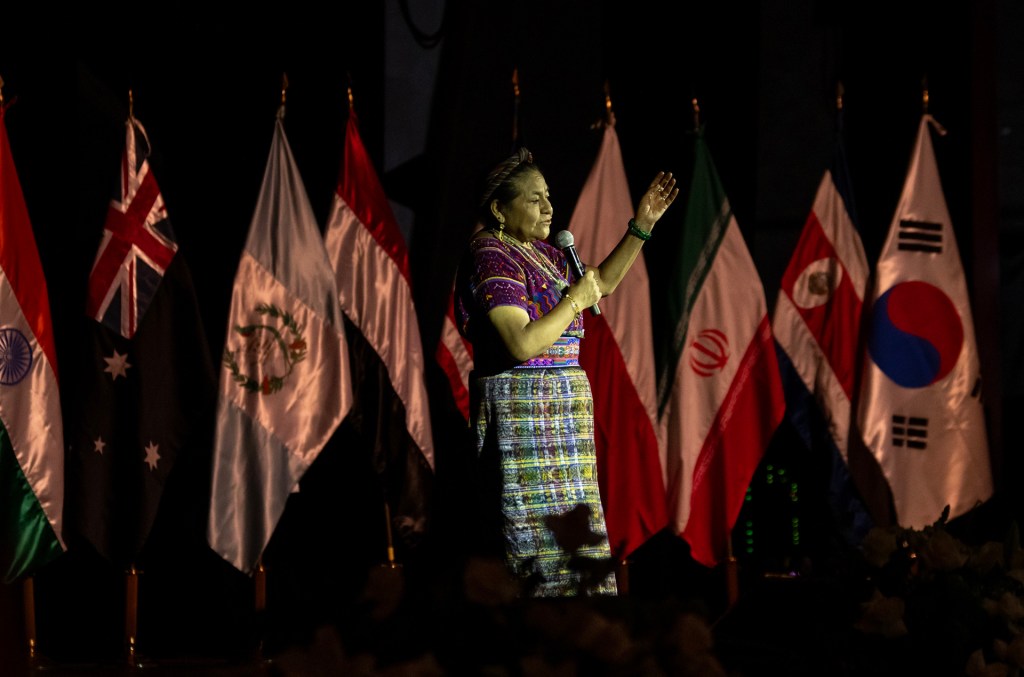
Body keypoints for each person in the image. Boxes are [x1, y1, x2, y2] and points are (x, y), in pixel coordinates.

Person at [455, 147, 678, 597]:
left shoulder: (542, 252)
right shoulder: (490, 252)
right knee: (536, 555)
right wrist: (573, 300)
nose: (548, 208)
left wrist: (643, 227)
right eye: (534, 199)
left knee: (577, 554)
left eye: (548, 196)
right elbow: (520, 342)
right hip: (524, 423)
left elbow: (600, 284)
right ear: (500, 209)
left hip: (563, 426)